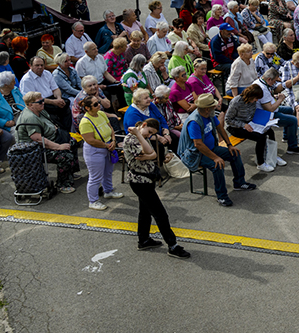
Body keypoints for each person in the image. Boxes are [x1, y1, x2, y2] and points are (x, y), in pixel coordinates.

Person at [123, 118, 190, 258]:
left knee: (145, 212)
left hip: (147, 179)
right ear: (144, 125)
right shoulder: (131, 139)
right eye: (149, 132)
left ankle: (143, 240)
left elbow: (153, 154)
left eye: (151, 134)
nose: (149, 135)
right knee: (160, 214)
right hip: (140, 181)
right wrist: (141, 137)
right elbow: (149, 152)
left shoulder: (142, 137)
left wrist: (149, 153)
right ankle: (172, 245)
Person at [178, 94, 257, 207]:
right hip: (195, 154)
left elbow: (220, 128)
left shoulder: (209, 115)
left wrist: (229, 145)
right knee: (217, 165)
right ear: (207, 108)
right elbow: (198, 144)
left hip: (211, 148)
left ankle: (239, 183)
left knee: (234, 153)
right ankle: (222, 196)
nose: (215, 107)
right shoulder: (194, 122)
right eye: (213, 106)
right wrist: (215, 157)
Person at [15, 90, 78, 193]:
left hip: (50, 139)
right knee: (65, 155)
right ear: (30, 105)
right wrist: (58, 146)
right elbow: (38, 140)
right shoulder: (30, 118)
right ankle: (63, 184)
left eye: (43, 100)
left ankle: (70, 173)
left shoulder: (40, 110)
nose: (43, 103)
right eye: (40, 102)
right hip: (35, 149)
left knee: (73, 142)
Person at [79, 96, 124, 210]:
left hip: (108, 146)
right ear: (87, 108)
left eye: (98, 102)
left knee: (108, 172)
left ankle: (108, 191)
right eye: (95, 104)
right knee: (95, 177)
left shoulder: (101, 114)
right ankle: (93, 201)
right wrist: (106, 145)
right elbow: (90, 140)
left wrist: (113, 140)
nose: (99, 105)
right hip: (95, 151)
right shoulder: (85, 122)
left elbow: (111, 128)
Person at [225, 85, 276, 173]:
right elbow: (228, 120)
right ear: (250, 95)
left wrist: (266, 120)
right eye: (255, 98)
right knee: (260, 137)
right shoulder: (236, 102)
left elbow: (253, 114)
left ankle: (271, 156)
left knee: (270, 131)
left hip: (250, 123)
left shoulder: (252, 101)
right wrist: (243, 125)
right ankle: (260, 163)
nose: (256, 101)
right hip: (235, 127)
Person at [19, 56, 71, 133]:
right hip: (39, 103)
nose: (40, 67)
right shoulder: (26, 80)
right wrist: (54, 102)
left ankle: (68, 132)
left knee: (66, 105)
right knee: (53, 117)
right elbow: (32, 99)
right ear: (30, 66)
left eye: (42, 65)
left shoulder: (47, 73)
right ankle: (62, 133)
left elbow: (55, 89)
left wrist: (59, 99)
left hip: (52, 99)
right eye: (37, 65)